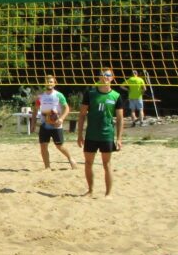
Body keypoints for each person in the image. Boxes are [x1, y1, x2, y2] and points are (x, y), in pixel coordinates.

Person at [76, 67, 125, 197]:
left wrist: (119, 139)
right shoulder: (90, 93)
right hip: (91, 134)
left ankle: (108, 194)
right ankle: (90, 190)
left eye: (108, 75)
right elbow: (81, 115)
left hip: (107, 135)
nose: (105, 77)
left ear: (112, 78)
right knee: (88, 163)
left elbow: (120, 119)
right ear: (99, 78)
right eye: (102, 74)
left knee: (106, 164)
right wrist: (80, 135)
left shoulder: (116, 96)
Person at [32, 76, 74, 170]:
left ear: (54, 83)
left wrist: (61, 119)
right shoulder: (40, 97)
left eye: (51, 82)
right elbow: (35, 110)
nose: (49, 83)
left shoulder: (59, 95)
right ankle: (47, 167)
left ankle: (71, 159)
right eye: (47, 81)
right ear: (45, 83)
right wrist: (33, 124)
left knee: (59, 146)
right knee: (43, 146)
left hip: (56, 125)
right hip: (44, 125)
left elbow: (67, 108)